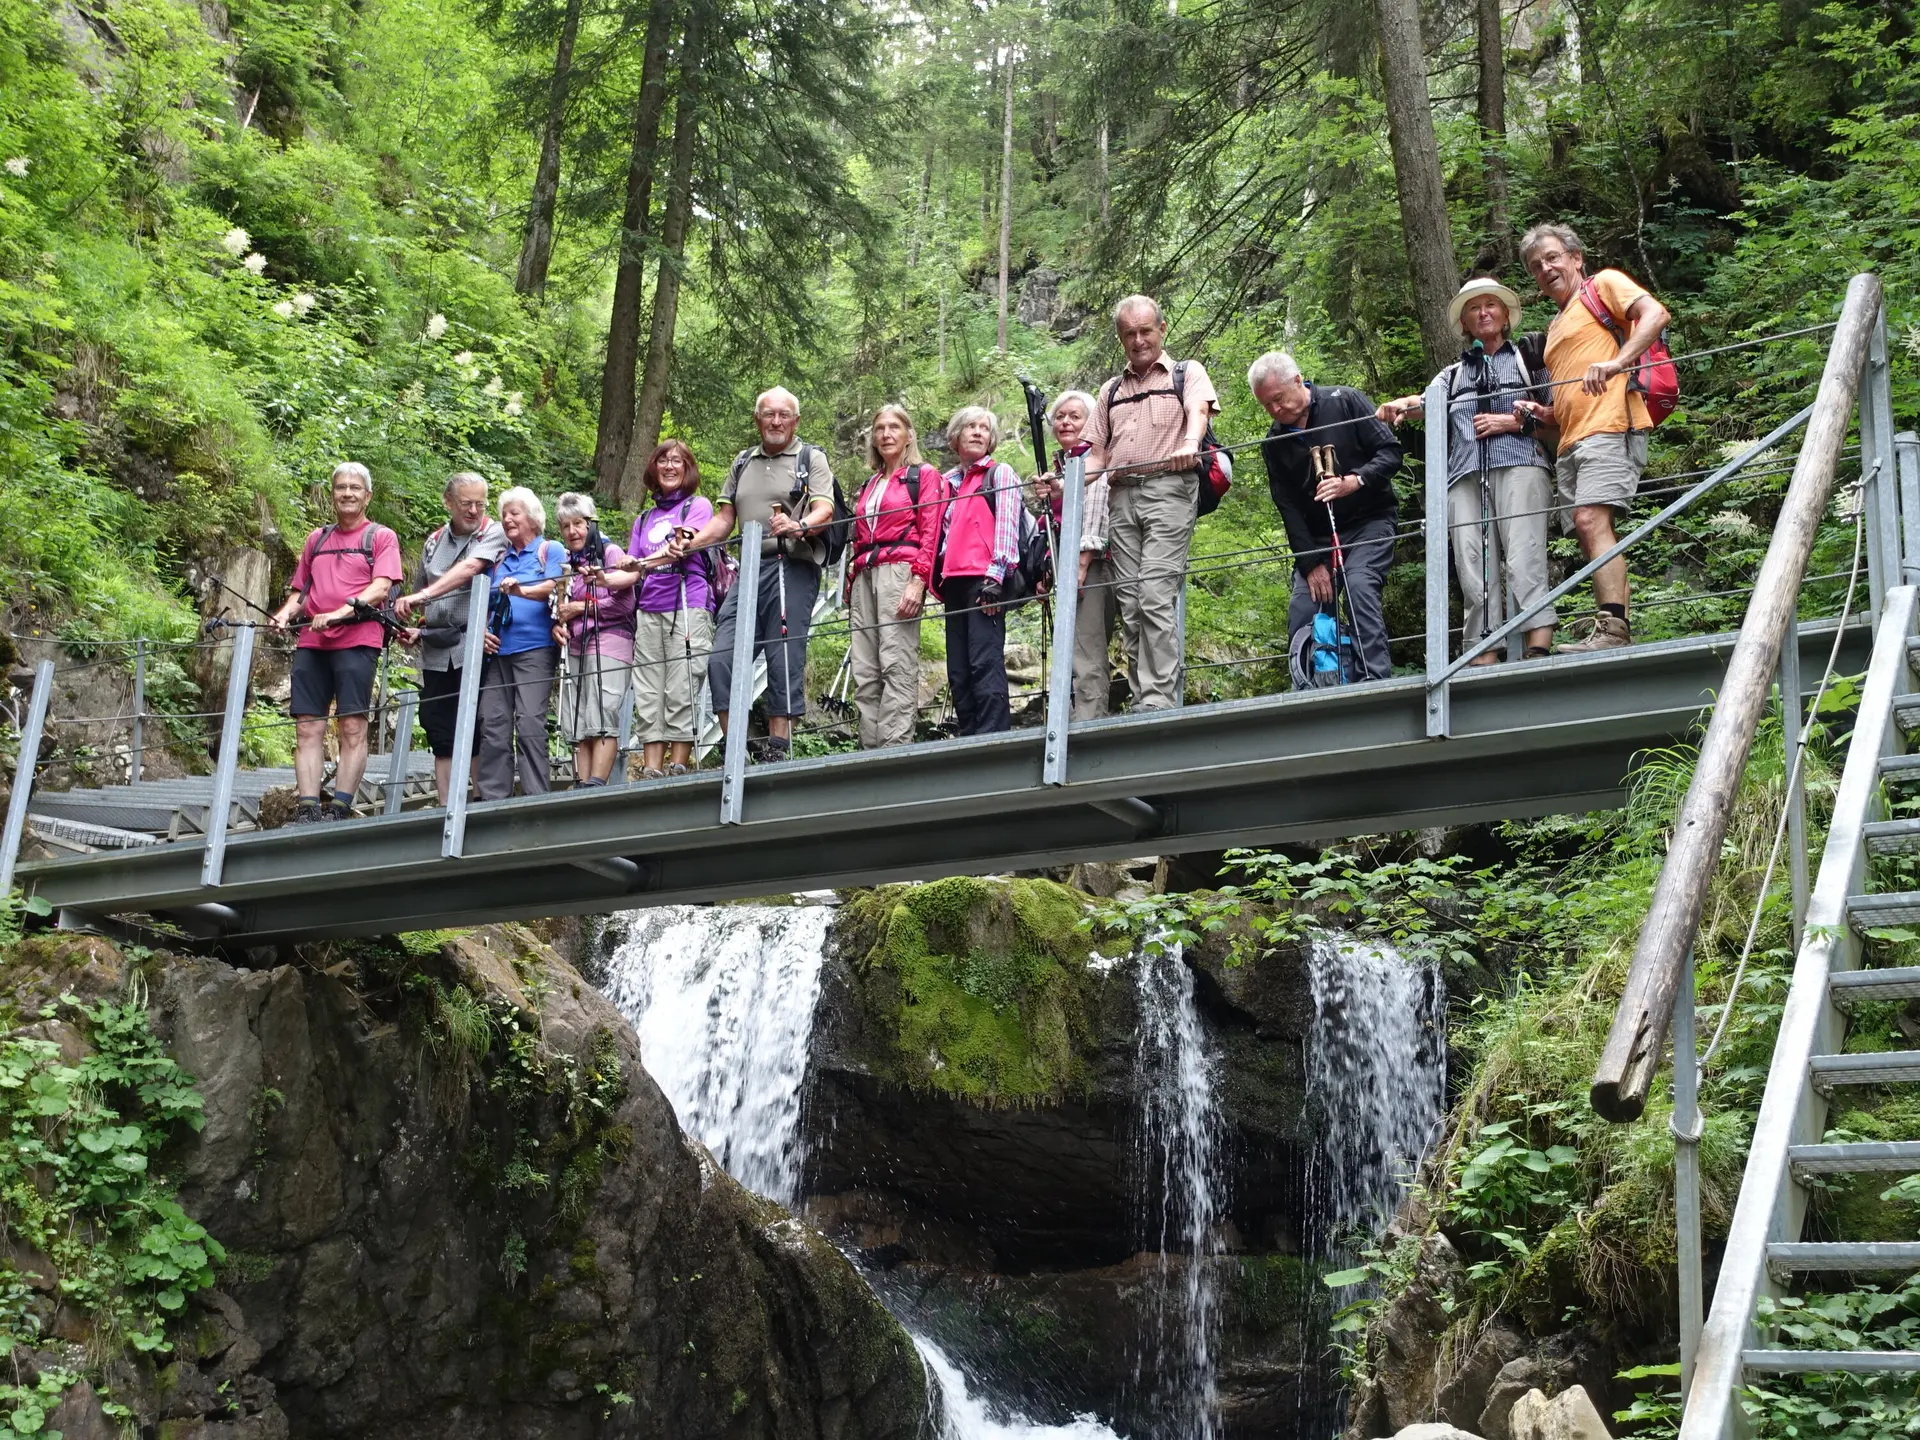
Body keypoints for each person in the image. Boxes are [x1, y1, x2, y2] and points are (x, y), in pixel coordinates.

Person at [1375, 277, 1558, 663]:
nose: (1484, 313)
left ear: (1506, 316)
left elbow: (1560, 415)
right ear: (1465, 323)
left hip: (1522, 463)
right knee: (1472, 563)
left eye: (1491, 305)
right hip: (1464, 475)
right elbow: (1424, 401)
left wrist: (1512, 422)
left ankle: (1537, 645)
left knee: (1524, 555)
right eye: (1475, 308)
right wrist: (1396, 406)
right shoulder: (1453, 374)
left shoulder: (1529, 361)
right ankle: (1483, 650)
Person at [1519, 221, 1672, 652]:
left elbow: (1655, 314)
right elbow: (1571, 394)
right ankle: (1613, 629)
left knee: (1591, 521)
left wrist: (1618, 362)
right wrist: (1542, 413)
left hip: (1610, 424)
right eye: (1536, 265)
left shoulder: (1603, 284)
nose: (1545, 268)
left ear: (1575, 258)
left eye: (1552, 257)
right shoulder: (1554, 328)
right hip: (1572, 437)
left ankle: (1612, 631)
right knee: (1590, 532)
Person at [673, 387, 835, 765]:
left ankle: (778, 749)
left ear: (795, 421)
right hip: (747, 568)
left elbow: (824, 508)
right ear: (757, 419)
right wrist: (692, 541)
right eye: (768, 414)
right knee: (722, 657)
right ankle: (736, 750)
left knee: (783, 652)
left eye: (783, 415)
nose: (776, 421)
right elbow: (725, 519)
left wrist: (797, 526)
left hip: (791, 564)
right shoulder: (743, 460)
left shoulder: (811, 458)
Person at [1079, 295, 1220, 711]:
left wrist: (1190, 442)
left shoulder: (1185, 372)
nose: (1139, 340)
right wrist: (1065, 483)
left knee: (1155, 593)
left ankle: (1159, 700)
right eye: (1129, 334)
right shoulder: (1111, 390)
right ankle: (1144, 696)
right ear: (1121, 338)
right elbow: (1097, 456)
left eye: (1145, 331)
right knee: (1130, 599)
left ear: (1161, 329)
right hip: (1120, 498)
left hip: (1169, 489)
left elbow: (1199, 411)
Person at [1250, 353, 1403, 683]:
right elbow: (1287, 507)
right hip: (1317, 540)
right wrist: (1310, 564)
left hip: (1370, 520)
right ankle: (1311, 689)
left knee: (1359, 585)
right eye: (1267, 406)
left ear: (1297, 380)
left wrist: (1354, 481)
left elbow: (1390, 452)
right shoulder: (1274, 443)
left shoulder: (1344, 401)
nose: (1276, 411)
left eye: (1278, 399)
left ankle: (1374, 682)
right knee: (1305, 607)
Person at [270, 462, 403, 823]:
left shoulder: (381, 537)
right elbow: (302, 591)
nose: (347, 493)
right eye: (340, 487)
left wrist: (342, 612)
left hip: (358, 639)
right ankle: (308, 807)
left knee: (352, 725)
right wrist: (284, 614)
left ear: (367, 496)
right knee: (307, 726)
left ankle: (340, 807)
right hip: (313, 642)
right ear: (332, 494)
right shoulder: (317, 539)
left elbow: (381, 586)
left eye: (354, 488)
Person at [393, 472, 506, 803]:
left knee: (474, 724)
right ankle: (444, 807)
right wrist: (416, 626)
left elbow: (470, 569)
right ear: (449, 503)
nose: (474, 511)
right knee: (438, 725)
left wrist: (423, 596)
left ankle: (484, 801)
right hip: (436, 647)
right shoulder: (433, 541)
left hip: (475, 644)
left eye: (480, 504)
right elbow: (420, 593)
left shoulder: (493, 532)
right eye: (466, 504)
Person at [846, 404, 941, 748]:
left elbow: (930, 530)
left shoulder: (922, 475)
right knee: (865, 669)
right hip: (864, 576)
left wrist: (919, 580)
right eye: (880, 428)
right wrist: (849, 584)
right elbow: (856, 537)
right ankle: (869, 751)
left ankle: (894, 750)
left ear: (908, 435)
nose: (886, 434)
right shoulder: (870, 483)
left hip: (900, 570)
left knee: (896, 662)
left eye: (894, 428)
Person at [621, 440, 716, 777]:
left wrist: (641, 562)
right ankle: (651, 768)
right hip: (648, 607)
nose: (670, 466)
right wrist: (598, 578)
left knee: (682, 684)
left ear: (687, 469)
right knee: (647, 688)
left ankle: (678, 764)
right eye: (663, 460)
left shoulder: (698, 506)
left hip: (687, 602)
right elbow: (629, 569)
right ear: (654, 467)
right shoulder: (644, 518)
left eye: (678, 460)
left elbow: (685, 545)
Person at [933, 406, 1021, 736]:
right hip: (952, 581)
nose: (978, 432)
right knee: (958, 668)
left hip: (985, 579)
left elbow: (1008, 525)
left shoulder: (999, 474)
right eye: (970, 426)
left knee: (984, 661)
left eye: (985, 428)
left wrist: (996, 576)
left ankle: (994, 735)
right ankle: (970, 734)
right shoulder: (946, 485)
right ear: (955, 437)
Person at [477, 487, 563, 799]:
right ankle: (492, 798)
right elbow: (482, 602)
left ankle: (535, 797)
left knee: (529, 721)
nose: (508, 519)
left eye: (515, 513)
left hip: (535, 648)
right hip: (497, 651)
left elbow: (553, 586)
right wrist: (480, 631)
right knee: (493, 722)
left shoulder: (550, 551)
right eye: (505, 514)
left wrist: (520, 592)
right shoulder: (497, 560)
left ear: (533, 518)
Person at [1033, 390, 1112, 717]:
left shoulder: (1093, 460)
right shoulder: (1064, 467)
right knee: (1077, 647)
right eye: (1060, 416)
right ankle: (1077, 719)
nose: (1065, 422)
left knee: (1085, 647)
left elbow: (1096, 505)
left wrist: (1081, 563)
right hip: (1070, 565)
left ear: (1091, 422)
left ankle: (1087, 725)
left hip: (1092, 564)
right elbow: (1054, 525)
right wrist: (1045, 571)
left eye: (1075, 416)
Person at [552, 493, 639, 788]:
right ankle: (581, 784)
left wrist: (580, 609)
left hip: (611, 642)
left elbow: (626, 605)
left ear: (591, 523)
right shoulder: (568, 564)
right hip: (576, 644)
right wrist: (558, 623)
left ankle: (596, 783)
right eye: (566, 526)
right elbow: (558, 606)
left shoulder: (610, 553)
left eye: (578, 523)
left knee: (602, 712)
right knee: (579, 718)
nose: (573, 531)